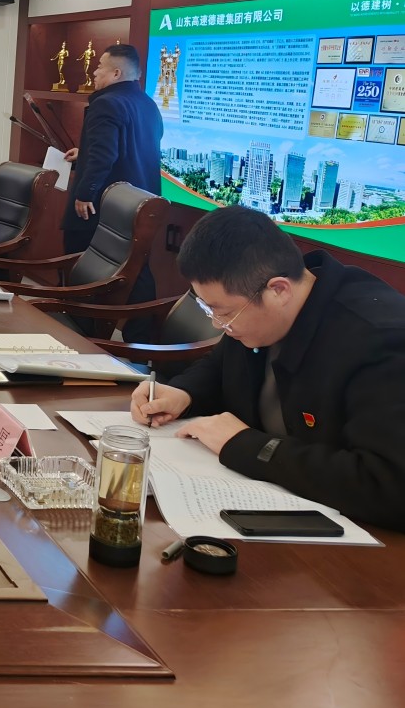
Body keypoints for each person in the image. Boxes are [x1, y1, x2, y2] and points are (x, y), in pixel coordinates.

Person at [131, 206, 405, 531]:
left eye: (223, 313)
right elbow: (221, 368)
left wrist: (247, 446)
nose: (218, 325)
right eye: (208, 310)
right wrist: (184, 393)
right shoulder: (258, 308)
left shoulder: (381, 341)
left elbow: (388, 485)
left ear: (278, 290)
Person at [61, 43, 163, 255]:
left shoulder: (106, 103)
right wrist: (84, 152)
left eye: (99, 66)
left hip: (102, 209)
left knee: (83, 262)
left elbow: (104, 156)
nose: (94, 72)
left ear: (116, 73)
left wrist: (85, 194)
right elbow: (135, 146)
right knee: (128, 265)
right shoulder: (148, 103)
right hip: (137, 207)